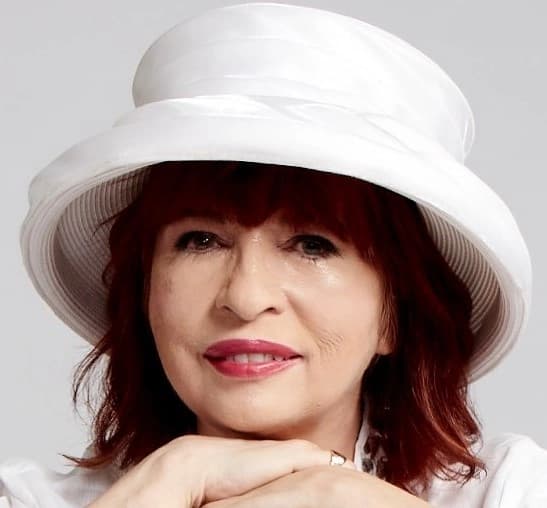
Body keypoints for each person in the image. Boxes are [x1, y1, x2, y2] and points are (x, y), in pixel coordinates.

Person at [1, 2, 546, 507]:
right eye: (201, 240)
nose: (245, 297)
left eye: (313, 245)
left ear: (394, 314)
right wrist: (177, 474)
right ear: (145, 292)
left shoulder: (509, 492)